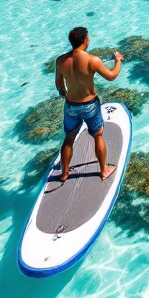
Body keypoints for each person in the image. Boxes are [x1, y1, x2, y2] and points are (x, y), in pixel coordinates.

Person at [53, 27, 123, 182]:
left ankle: (64, 174)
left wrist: (65, 93)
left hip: (70, 105)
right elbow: (111, 76)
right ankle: (104, 170)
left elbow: (59, 84)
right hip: (90, 105)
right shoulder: (93, 60)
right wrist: (117, 61)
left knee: (69, 138)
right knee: (97, 135)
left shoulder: (60, 60)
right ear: (85, 40)